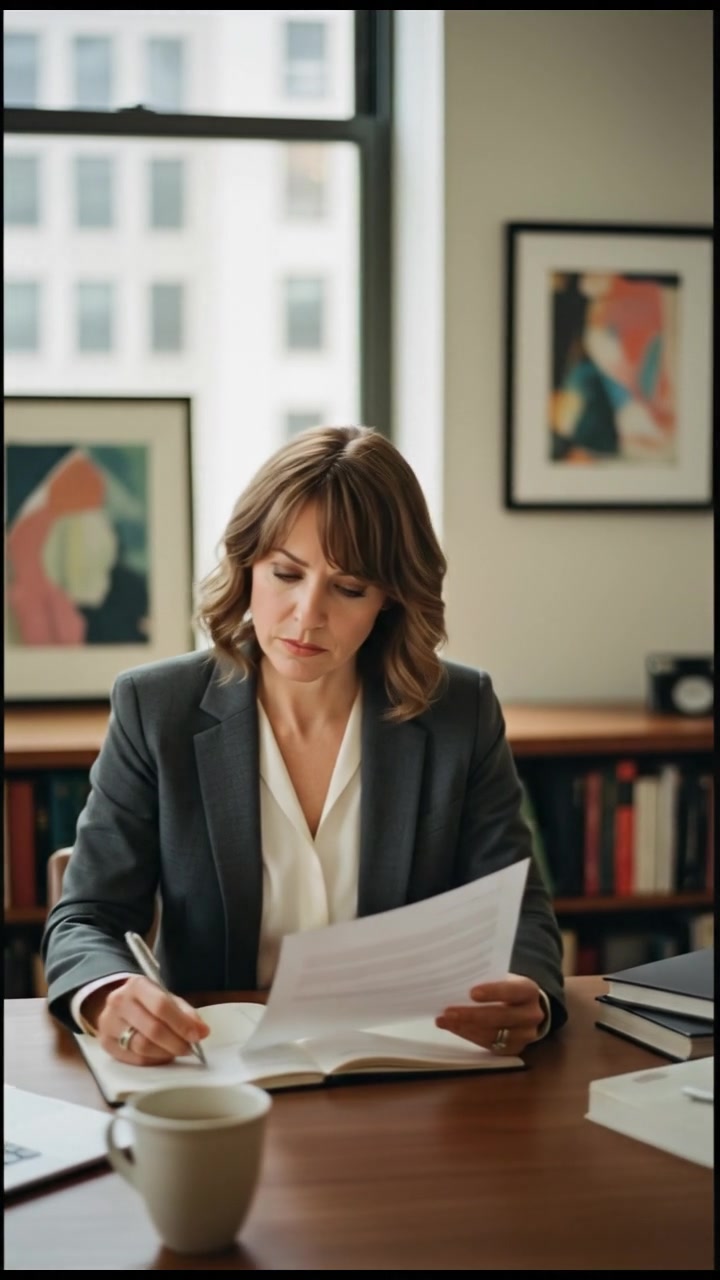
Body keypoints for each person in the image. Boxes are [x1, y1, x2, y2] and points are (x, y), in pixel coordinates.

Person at [42, 425, 567, 1065]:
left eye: (349, 588)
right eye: (286, 573)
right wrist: (109, 993)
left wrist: (530, 995)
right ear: (248, 565)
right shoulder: (158, 709)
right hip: (217, 1070)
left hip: (404, 1070)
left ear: (390, 600)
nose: (306, 613)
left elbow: (518, 910)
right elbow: (86, 916)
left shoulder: (460, 711)